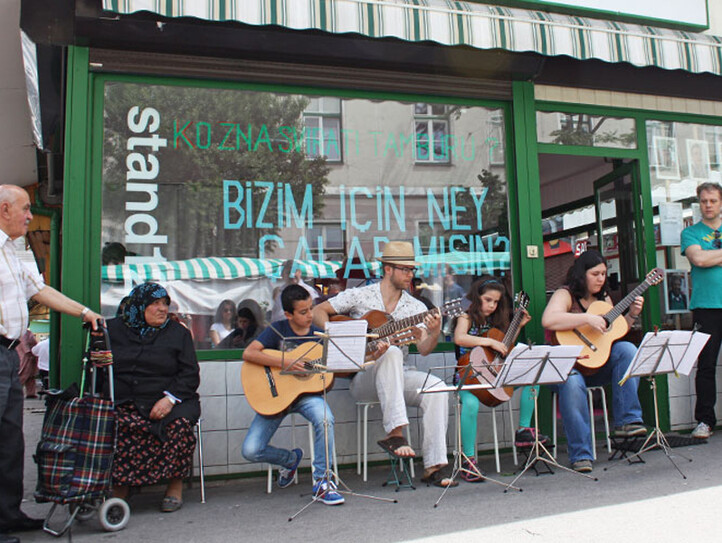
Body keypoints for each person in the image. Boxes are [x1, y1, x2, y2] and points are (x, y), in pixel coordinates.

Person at [0, 184, 102, 542]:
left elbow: (40, 290)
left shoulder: (12, 252)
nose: (30, 215)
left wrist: (85, 311)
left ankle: (8, 514)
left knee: (10, 438)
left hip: (9, 354)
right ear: (4, 210)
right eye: (26, 209)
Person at [313, 241, 455, 487]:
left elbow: (423, 350)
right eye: (405, 269)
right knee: (390, 353)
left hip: (400, 374)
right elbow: (318, 312)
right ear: (387, 269)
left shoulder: (416, 307)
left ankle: (434, 466)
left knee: (438, 388)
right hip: (363, 376)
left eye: (412, 270)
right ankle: (395, 433)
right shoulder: (361, 295)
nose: (411, 275)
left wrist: (432, 333)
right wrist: (342, 337)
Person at [541, 249, 646, 473]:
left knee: (626, 348)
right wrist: (587, 317)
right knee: (571, 381)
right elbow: (548, 319)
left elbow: (612, 333)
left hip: (595, 365)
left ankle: (627, 421)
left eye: (603, 274)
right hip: (567, 368)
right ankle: (581, 455)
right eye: (595, 274)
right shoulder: (565, 294)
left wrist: (632, 315)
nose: (601, 279)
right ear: (582, 274)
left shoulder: (604, 299)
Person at [242, 284, 344, 505]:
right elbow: (248, 353)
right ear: (288, 314)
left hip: (307, 396)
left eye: (311, 308)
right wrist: (287, 362)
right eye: (303, 311)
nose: (310, 315)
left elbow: (328, 376)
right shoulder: (277, 330)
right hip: (277, 397)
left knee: (325, 419)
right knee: (251, 450)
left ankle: (322, 482)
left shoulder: (319, 334)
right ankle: (289, 460)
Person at [106, 283, 200, 513]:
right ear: (139, 305)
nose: (162, 309)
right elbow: (101, 369)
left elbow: (189, 374)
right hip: (127, 399)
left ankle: (174, 485)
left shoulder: (178, 333)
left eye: (165, 303)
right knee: (118, 424)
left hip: (172, 399)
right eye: (155, 303)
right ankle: (121, 487)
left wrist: (169, 399)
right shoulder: (113, 330)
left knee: (178, 426)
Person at [453, 277, 545, 482]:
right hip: (467, 377)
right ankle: (468, 460)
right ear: (476, 297)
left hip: (492, 372)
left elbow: (504, 346)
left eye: (495, 302)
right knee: (470, 404)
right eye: (487, 300)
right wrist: (488, 341)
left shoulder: (495, 320)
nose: (492, 306)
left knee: (534, 379)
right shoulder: (465, 315)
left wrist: (518, 326)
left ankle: (523, 430)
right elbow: (460, 337)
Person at [681, 182, 722, 439]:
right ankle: (705, 421)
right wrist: (708, 257)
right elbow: (698, 259)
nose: (708, 205)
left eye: (713, 201)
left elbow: (707, 258)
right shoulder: (691, 233)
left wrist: (712, 255)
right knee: (706, 366)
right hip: (706, 307)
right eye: (704, 201)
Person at [15, 331, 38, 399]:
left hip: (30, 356)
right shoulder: (23, 334)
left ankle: (31, 393)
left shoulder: (26, 333)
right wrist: (29, 352)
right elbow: (24, 345)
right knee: (24, 374)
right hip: (26, 356)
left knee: (31, 376)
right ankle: (16, 391)